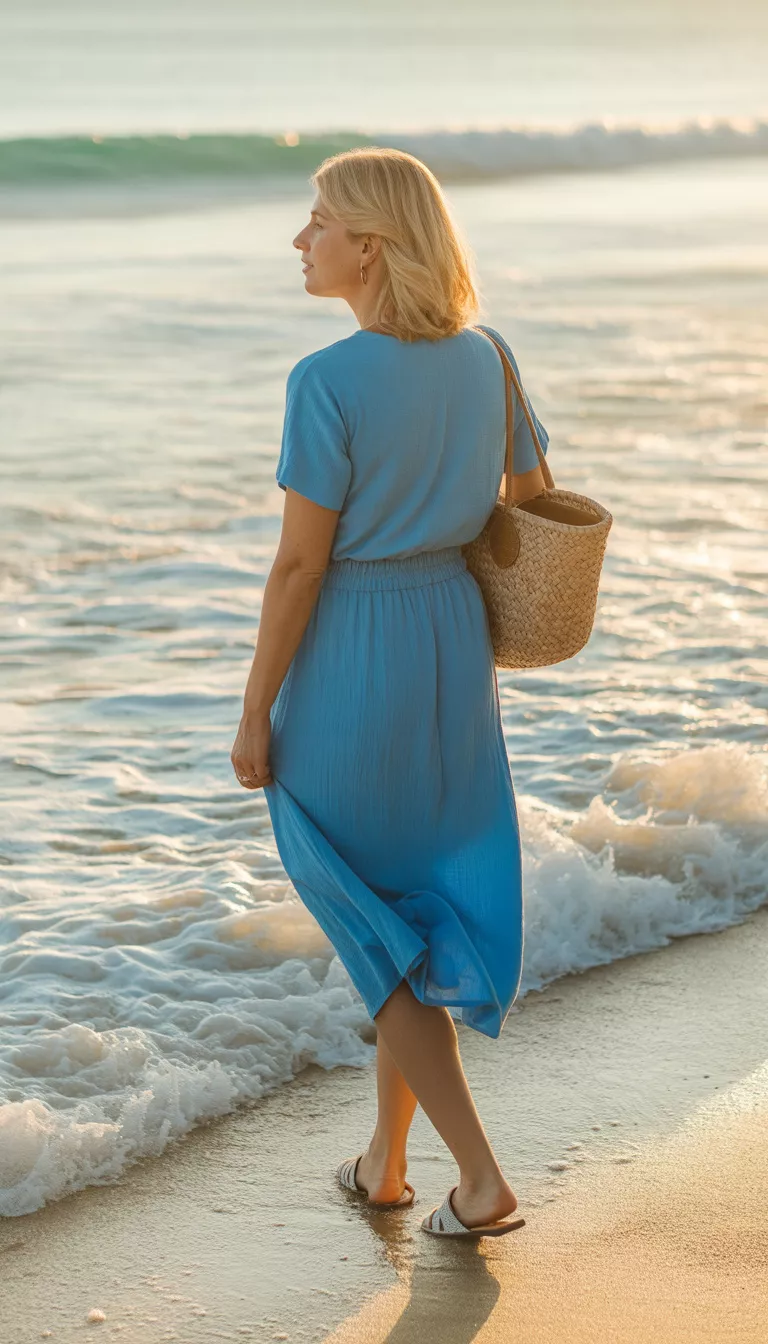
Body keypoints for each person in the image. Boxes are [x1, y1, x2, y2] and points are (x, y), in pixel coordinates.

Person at [230, 147, 549, 1239]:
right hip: (453, 653)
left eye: (316, 220)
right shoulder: (489, 360)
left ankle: (482, 1178)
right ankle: (386, 1164)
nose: (299, 239)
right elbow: (535, 498)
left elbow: (298, 569)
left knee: (373, 932)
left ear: (368, 245)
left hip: (355, 654)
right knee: (404, 910)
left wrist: (252, 708)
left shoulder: (325, 381)